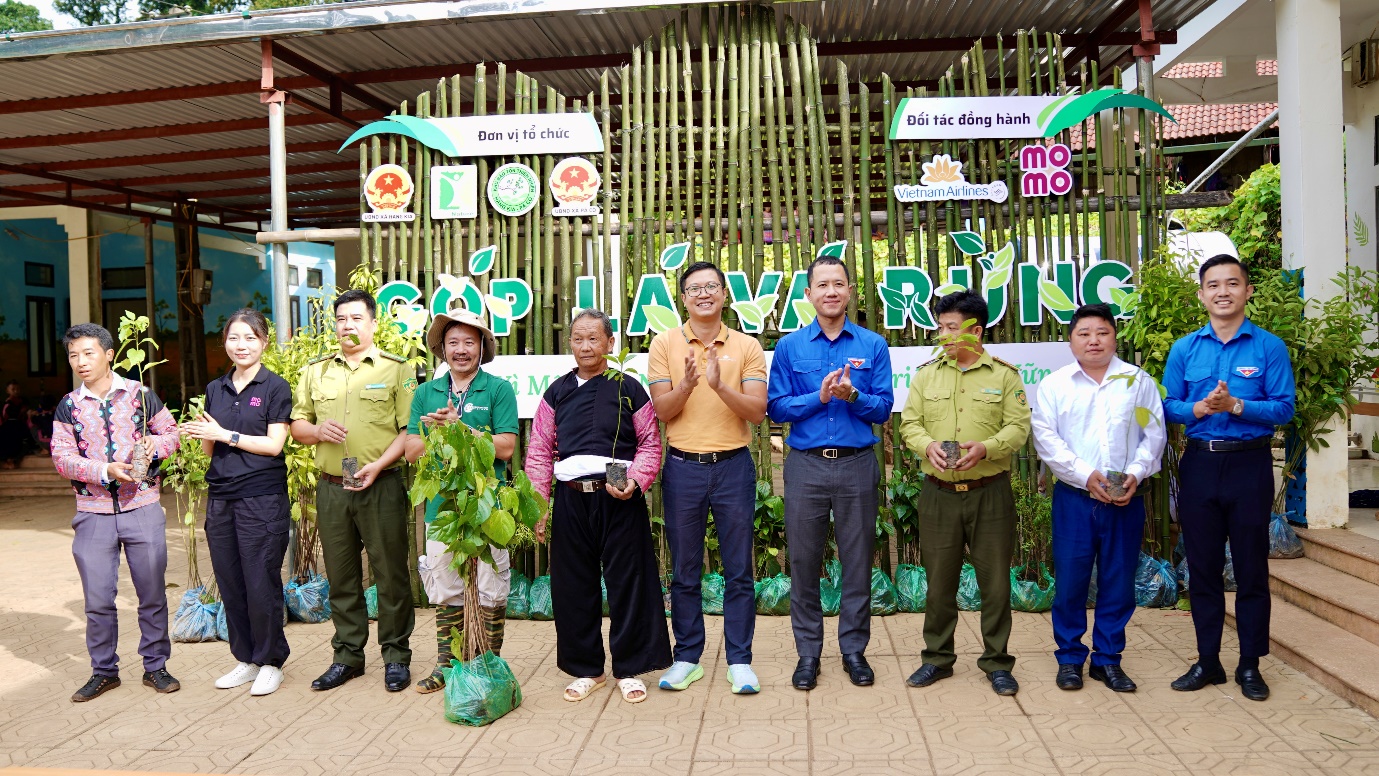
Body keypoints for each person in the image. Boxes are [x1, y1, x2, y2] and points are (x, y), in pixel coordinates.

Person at [1162, 254, 1295, 702]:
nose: (1223, 291)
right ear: (1201, 294)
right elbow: (1167, 404)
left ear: (1247, 291)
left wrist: (1237, 406)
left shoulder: (1268, 347)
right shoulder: (1185, 349)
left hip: (1249, 466)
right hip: (1200, 464)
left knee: (1252, 569)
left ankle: (1251, 665)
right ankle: (1208, 661)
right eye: (1213, 284)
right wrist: (1199, 409)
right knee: (1202, 569)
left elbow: (1284, 408)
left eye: (1232, 283)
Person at [524, 309, 672, 704]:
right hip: (572, 497)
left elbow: (649, 443)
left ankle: (631, 668)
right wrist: (539, 505)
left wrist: (637, 481)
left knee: (629, 582)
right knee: (573, 586)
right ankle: (586, 668)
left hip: (619, 496)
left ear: (610, 343)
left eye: (594, 338)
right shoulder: (556, 391)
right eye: (578, 339)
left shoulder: (629, 388)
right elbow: (539, 450)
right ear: (570, 344)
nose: (585, 346)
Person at [766, 256, 893, 691]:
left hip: (858, 464)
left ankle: (854, 651)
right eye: (822, 285)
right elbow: (776, 407)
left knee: (857, 560)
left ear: (850, 290)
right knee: (803, 560)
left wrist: (853, 394)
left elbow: (883, 407)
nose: (831, 292)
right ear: (809, 294)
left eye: (839, 284)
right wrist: (818, 398)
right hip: (805, 466)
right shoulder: (790, 347)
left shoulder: (873, 345)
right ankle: (808, 654)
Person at [898, 290, 1030, 697]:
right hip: (938, 493)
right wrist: (927, 446)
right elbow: (909, 424)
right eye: (941, 328)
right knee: (939, 582)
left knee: (995, 584)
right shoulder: (926, 374)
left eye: (952, 328)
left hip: (990, 492)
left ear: (976, 330)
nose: (944, 336)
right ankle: (937, 658)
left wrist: (986, 449)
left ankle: (997, 662)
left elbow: (1019, 428)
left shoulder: (1005, 376)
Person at [1031, 304, 1166, 693]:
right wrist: (1085, 475)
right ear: (1071, 340)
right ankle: (1070, 658)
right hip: (1075, 498)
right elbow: (1047, 439)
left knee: (1118, 582)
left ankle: (1108, 660)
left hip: (1126, 498)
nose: (1094, 340)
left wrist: (1136, 475)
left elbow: (1153, 434)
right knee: (1071, 582)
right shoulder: (1055, 384)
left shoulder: (1137, 381)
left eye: (1102, 332)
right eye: (1084, 333)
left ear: (1114, 337)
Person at [648, 261, 769, 694]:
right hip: (683, 467)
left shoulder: (746, 346)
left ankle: (739, 660)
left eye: (712, 286)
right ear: (683, 298)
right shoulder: (664, 344)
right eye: (695, 288)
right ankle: (687, 657)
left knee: (739, 570)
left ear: (724, 294)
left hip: (734, 467)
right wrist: (687, 385)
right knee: (684, 570)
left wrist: (719, 386)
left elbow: (757, 412)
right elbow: (662, 412)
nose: (704, 294)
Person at [290, 289, 417, 693]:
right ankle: (347, 656)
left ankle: (396, 656)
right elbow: (297, 424)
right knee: (342, 576)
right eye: (342, 318)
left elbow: (409, 430)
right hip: (332, 489)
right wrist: (315, 431)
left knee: (391, 575)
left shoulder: (395, 370)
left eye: (357, 318)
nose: (348, 325)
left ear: (374, 323)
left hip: (381, 485)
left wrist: (379, 465)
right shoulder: (316, 371)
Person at [52, 323, 181, 702]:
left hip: (142, 507)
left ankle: (155, 666)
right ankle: (104, 671)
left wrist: (151, 446)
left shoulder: (141, 395)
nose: (80, 362)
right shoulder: (68, 405)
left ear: (109, 355)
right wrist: (103, 470)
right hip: (91, 514)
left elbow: (171, 434)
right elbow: (62, 458)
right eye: (73, 355)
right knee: (97, 600)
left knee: (152, 593)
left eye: (88, 353)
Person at [404, 310, 519, 693]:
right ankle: (447, 667)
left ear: (483, 347)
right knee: (446, 587)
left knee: (490, 587)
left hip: (487, 505)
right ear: (442, 349)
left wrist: (460, 427)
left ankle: (487, 665)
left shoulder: (498, 389)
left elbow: (505, 448)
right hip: (442, 508)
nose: (461, 350)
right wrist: (435, 432)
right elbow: (410, 451)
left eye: (470, 342)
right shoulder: (426, 393)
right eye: (453, 342)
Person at [181, 309, 294, 696]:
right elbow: (210, 447)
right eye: (234, 338)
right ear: (225, 343)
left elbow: (274, 445)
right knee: (231, 582)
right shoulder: (216, 388)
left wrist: (224, 433)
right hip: (222, 497)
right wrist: (200, 432)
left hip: (261, 498)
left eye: (249, 337)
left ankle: (271, 661)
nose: (241, 345)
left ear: (264, 342)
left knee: (260, 581)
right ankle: (246, 659)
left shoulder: (275, 387)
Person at [0, 380, 28, 468]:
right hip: (8, 427)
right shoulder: (8, 403)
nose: (16, 391)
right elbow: (3, 417)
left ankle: (12, 460)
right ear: (7, 391)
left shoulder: (23, 401)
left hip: (19, 426)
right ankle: (8, 461)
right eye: (13, 389)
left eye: (17, 389)